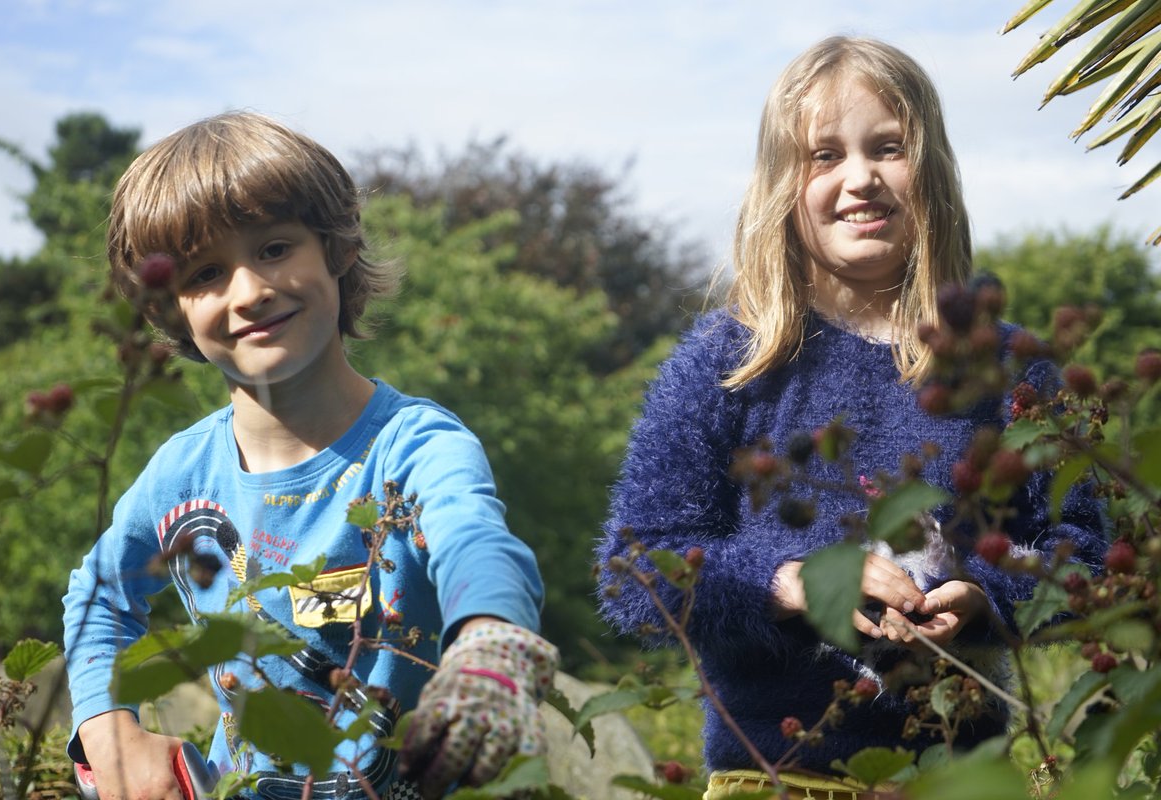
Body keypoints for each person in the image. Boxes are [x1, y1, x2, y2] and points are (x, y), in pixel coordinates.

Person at [595, 36, 1107, 800]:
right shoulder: (728, 362)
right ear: (781, 185)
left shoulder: (1007, 368)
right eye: (823, 156)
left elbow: (1089, 554)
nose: (860, 178)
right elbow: (634, 570)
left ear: (930, 172)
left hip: (962, 778)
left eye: (889, 148)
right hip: (767, 777)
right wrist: (790, 582)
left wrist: (986, 599)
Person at [62, 111, 557, 800]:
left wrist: (491, 647)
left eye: (273, 248)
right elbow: (100, 595)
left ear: (338, 247)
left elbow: (474, 539)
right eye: (206, 271)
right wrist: (107, 731)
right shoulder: (179, 476)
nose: (250, 290)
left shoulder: (414, 445)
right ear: (167, 309)